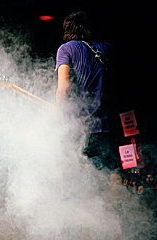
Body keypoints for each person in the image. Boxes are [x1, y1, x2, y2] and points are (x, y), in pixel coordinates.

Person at [55, 10, 119, 171]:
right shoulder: (106, 48)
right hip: (105, 125)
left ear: (67, 29)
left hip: (78, 125)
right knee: (104, 175)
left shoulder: (66, 49)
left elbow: (64, 88)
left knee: (77, 175)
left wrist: (58, 112)